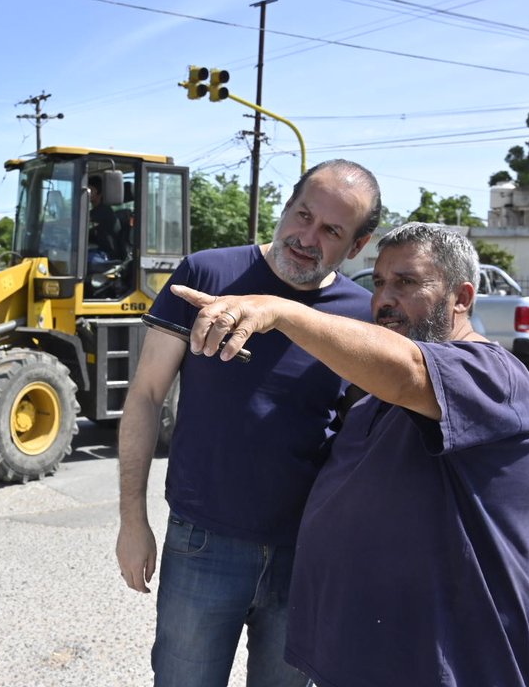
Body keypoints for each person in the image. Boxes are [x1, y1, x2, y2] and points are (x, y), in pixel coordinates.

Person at [172, 222, 529, 687]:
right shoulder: (374, 397)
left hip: (444, 662)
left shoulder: (493, 376)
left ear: (462, 297)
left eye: (407, 283)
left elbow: (407, 370)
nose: (384, 299)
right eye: (379, 283)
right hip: (363, 656)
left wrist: (280, 310)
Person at [116, 160, 382, 687]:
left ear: (356, 246)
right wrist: (132, 519)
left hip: (306, 555)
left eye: (331, 230)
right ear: (285, 207)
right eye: (303, 215)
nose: (307, 237)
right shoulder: (206, 274)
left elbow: (361, 437)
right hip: (202, 545)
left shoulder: (361, 315)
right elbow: (146, 395)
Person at [87, 174, 122, 265]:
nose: (86, 193)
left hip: (106, 255)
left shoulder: (104, 211)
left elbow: (79, 220)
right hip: (97, 250)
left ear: (99, 192)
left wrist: (53, 224)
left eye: (89, 190)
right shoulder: (95, 211)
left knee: (80, 260)